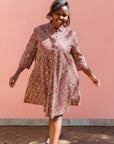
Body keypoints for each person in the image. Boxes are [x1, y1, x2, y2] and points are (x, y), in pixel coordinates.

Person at [9, 0, 101, 143]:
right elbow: (28, 54)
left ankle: (53, 142)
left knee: (56, 115)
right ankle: (52, 139)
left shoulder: (70, 34)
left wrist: (92, 76)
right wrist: (16, 74)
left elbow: (79, 57)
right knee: (52, 114)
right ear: (51, 14)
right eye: (58, 13)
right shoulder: (39, 31)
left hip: (63, 80)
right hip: (44, 79)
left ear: (68, 17)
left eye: (65, 15)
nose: (61, 17)